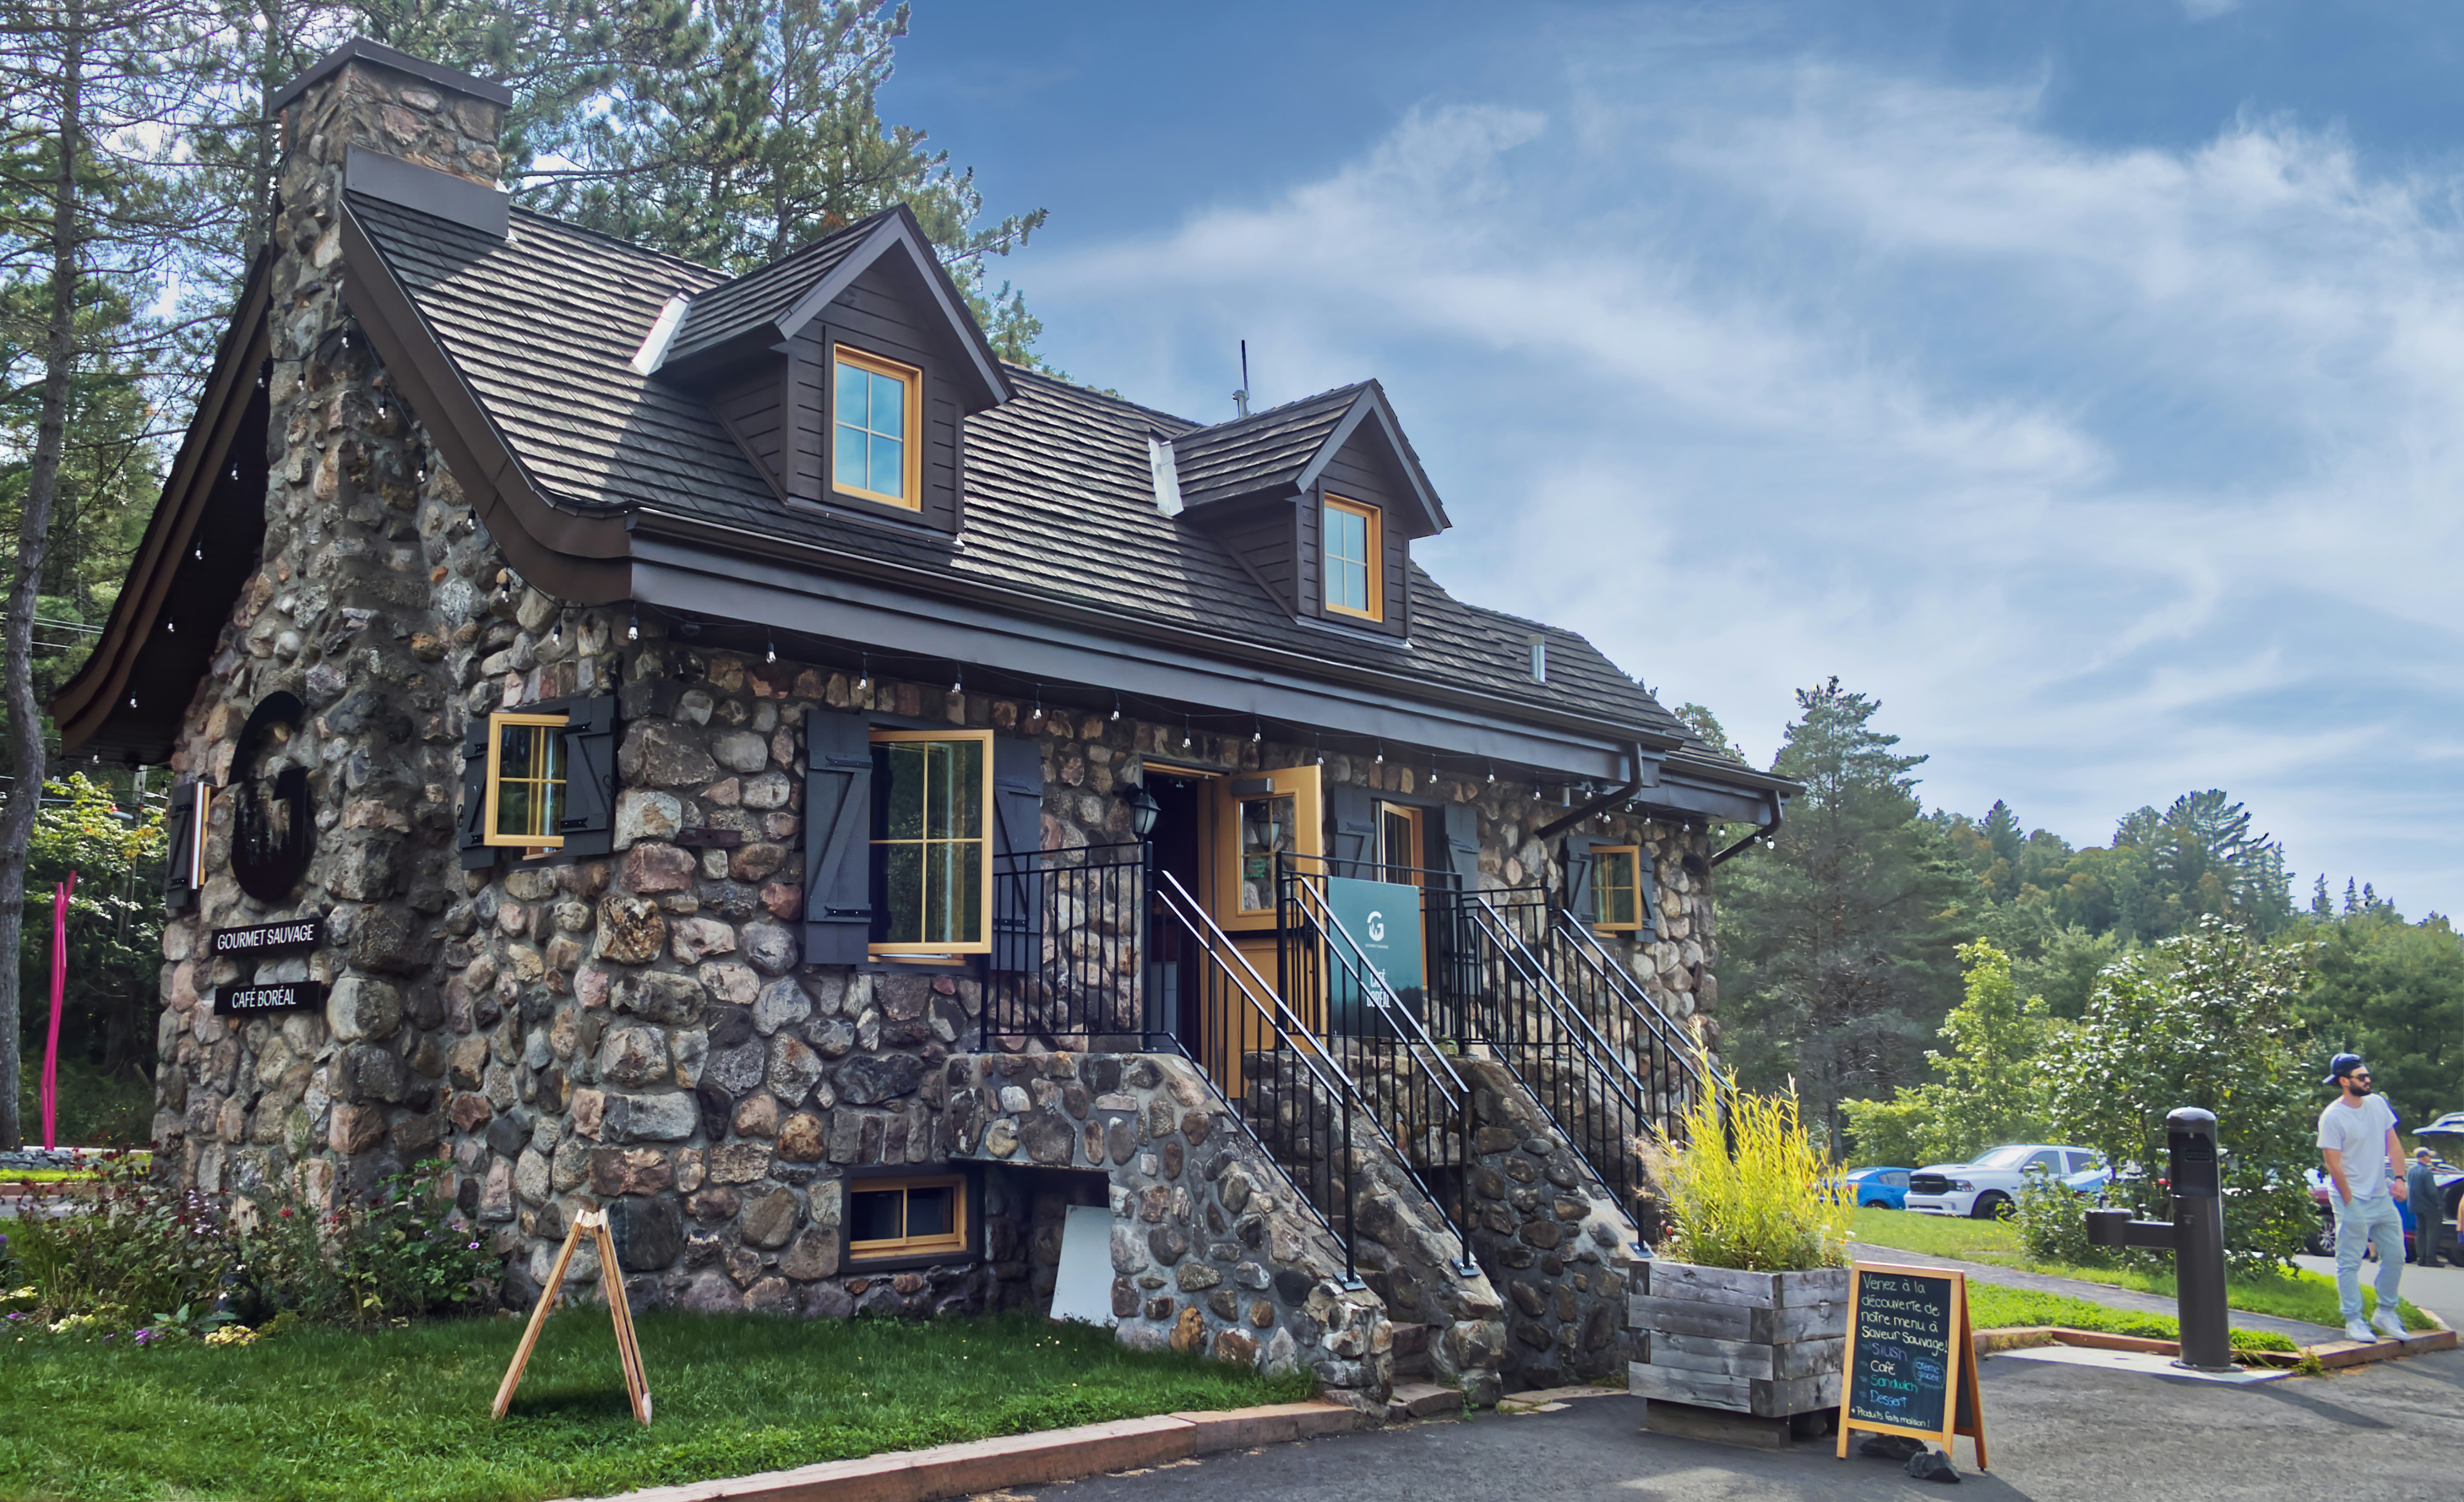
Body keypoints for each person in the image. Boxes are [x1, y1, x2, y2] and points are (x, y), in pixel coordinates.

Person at [2318, 1053, 2408, 1343]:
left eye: (2368, 1075)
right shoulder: (2333, 1116)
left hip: (2381, 1196)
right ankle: (2353, 1320)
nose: (2368, 1080)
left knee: (2396, 1255)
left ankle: (2385, 1312)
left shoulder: (2378, 1104)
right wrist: (2350, 1202)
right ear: (2344, 1081)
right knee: (2349, 1261)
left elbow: (2393, 1143)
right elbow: (2333, 1165)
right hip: (2351, 1198)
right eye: (2362, 1077)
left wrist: (2400, 1179)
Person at [2408, 1148, 2446, 1268]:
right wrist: (2439, 1204)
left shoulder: (2411, 1170)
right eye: (2429, 1156)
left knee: (2420, 1232)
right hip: (2429, 1206)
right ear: (2424, 1158)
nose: (2430, 1158)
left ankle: (2421, 1258)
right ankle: (2431, 1259)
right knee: (2432, 1233)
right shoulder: (2427, 1172)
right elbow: (2432, 1192)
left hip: (2416, 1205)